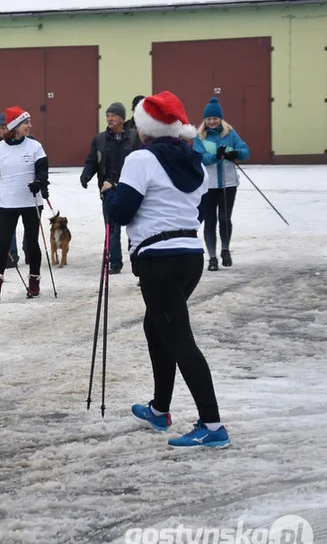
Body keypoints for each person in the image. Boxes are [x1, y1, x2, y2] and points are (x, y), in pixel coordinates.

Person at [103, 91, 229, 449]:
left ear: (145, 130)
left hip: (159, 259)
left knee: (179, 340)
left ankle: (212, 424)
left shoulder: (140, 159)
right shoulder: (194, 161)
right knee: (156, 325)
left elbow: (122, 212)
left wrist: (109, 192)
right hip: (191, 255)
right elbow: (201, 210)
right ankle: (159, 409)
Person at [0, 107, 49, 300]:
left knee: (31, 242)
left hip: (31, 203)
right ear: (14, 126)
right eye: (25, 123)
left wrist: (39, 182)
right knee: (2, 243)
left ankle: (34, 281)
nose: (29, 126)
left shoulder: (35, 147)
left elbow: (43, 171)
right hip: (7, 204)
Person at [80, 101, 140, 274]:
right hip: (108, 190)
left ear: (122, 118)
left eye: (113, 115)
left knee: (134, 226)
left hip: (131, 188)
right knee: (111, 227)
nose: (109, 119)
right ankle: (115, 262)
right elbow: (92, 160)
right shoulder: (99, 139)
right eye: (107, 115)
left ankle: (136, 260)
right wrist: (86, 175)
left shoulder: (135, 137)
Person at [192, 97, 250, 271]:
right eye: (208, 119)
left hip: (228, 183)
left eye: (215, 118)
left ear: (220, 118)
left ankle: (225, 250)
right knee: (210, 221)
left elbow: (245, 151)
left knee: (225, 219)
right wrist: (215, 156)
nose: (211, 121)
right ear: (205, 120)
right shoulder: (200, 136)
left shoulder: (230, 133)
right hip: (208, 185)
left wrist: (234, 153)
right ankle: (212, 257)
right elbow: (198, 157)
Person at [0, 112, 19, 266]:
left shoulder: (28, 142)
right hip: (5, 194)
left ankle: (28, 250)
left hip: (26, 193)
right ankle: (11, 255)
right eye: (2, 128)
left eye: (8, 127)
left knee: (30, 228)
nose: (5, 131)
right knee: (8, 228)